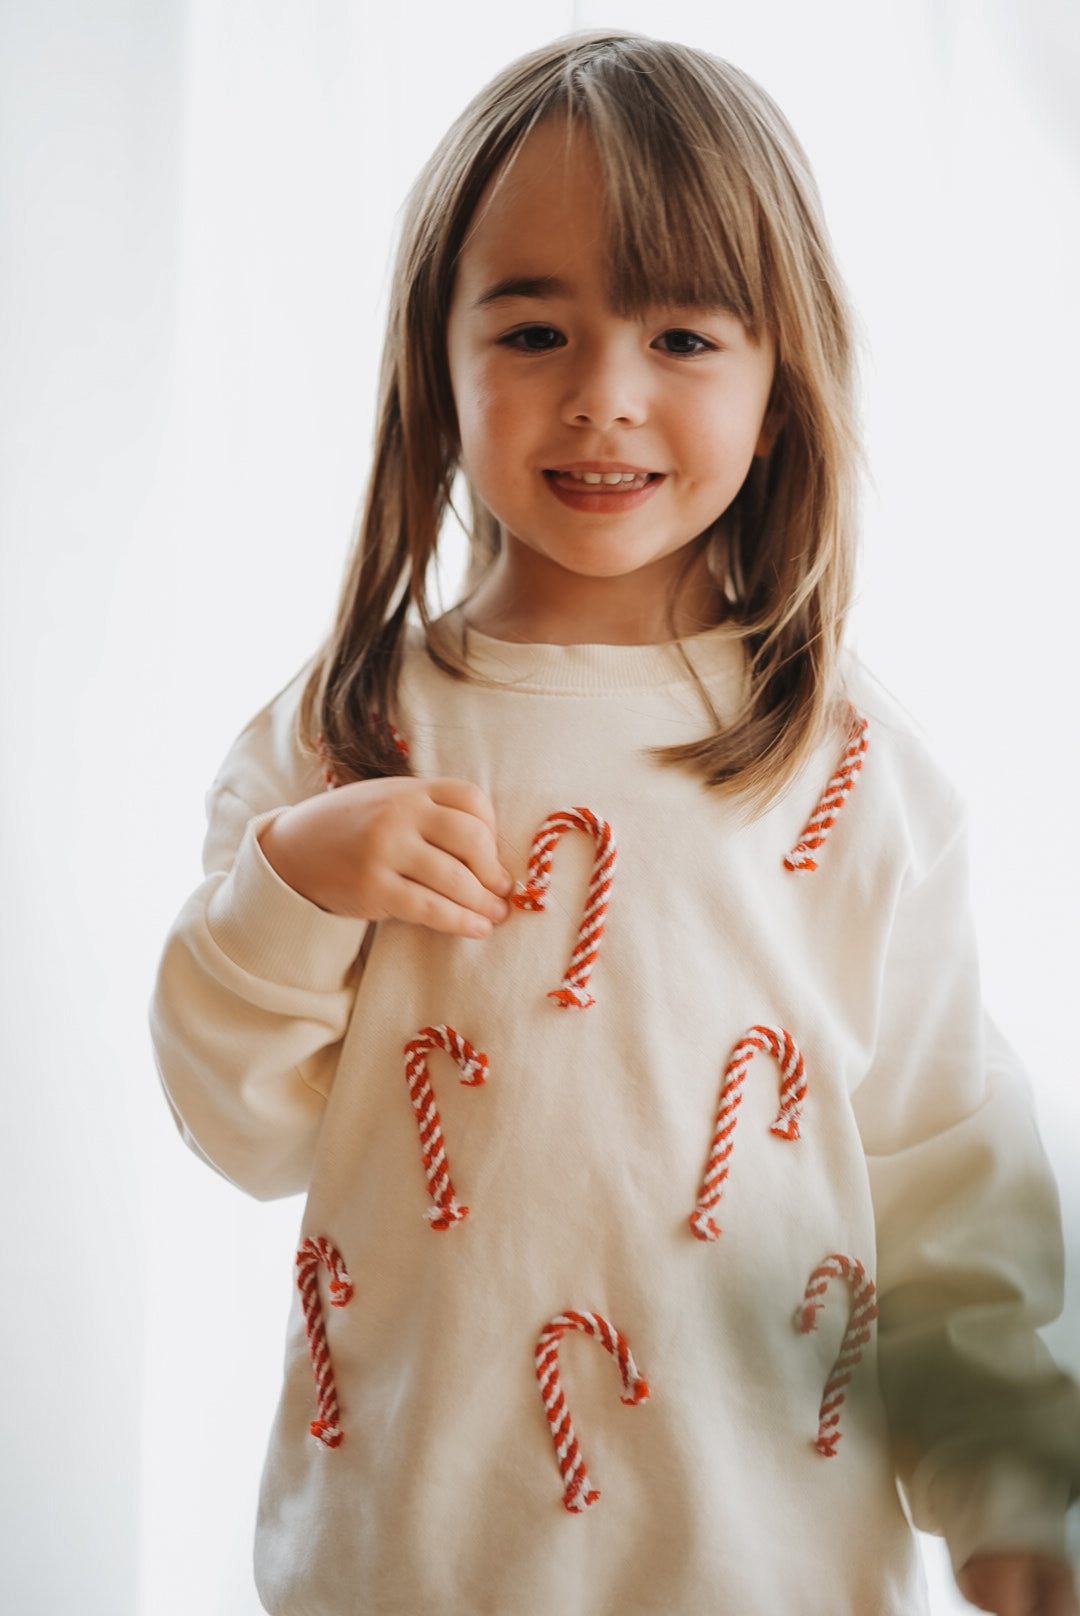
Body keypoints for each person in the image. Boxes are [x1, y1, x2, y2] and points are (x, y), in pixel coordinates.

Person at [151, 32, 1080, 1616]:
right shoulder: (345, 738)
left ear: (781, 385)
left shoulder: (849, 765)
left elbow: (943, 1156)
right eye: (533, 328)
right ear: (433, 376)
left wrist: (1014, 1493)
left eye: (683, 333)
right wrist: (290, 893)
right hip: (406, 1562)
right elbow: (239, 1125)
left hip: (771, 1564)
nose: (605, 395)